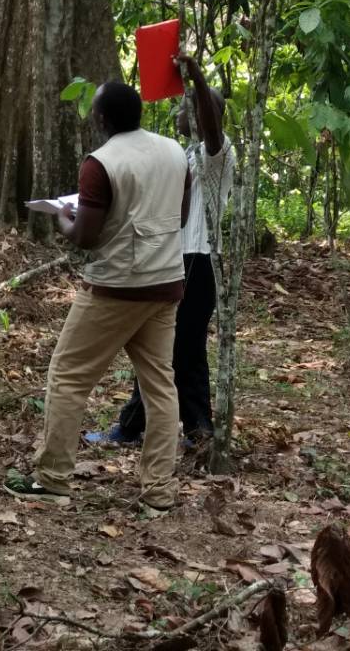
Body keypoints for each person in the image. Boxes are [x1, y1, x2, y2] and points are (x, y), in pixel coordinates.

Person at [4, 81, 190, 509]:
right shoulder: (174, 152)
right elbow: (178, 214)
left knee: (68, 376)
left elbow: (86, 237)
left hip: (117, 286)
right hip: (165, 282)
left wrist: (63, 218)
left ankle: (53, 480)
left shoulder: (100, 163)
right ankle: (158, 492)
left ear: (102, 119)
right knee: (160, 384)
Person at [99, 53, 235, 447]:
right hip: (173, 259)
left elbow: (211, 131)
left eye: (188, 105)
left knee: (177, 347)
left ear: (205, 112)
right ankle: (196, 428)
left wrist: (196, 77)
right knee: (176, 346)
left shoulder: (218, 153)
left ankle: (138, 426)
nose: (179, 110)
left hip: (198, 259)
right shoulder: (183, 153)